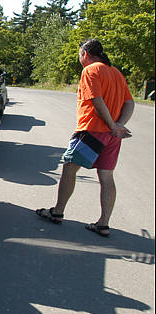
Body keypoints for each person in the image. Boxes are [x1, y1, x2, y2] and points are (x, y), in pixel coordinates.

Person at [36, 39, 135, 238]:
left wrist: (111, 124)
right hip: (112, 136)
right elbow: (130, 103)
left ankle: (57, 211)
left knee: (69, 167)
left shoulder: (90, 71)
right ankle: (103, 223)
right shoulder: (116, 73)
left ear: (86, 54)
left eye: (80, 54)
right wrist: (118, 126)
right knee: (106, 176)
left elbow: (97, 102)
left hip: (92, 130)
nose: (80, 58)